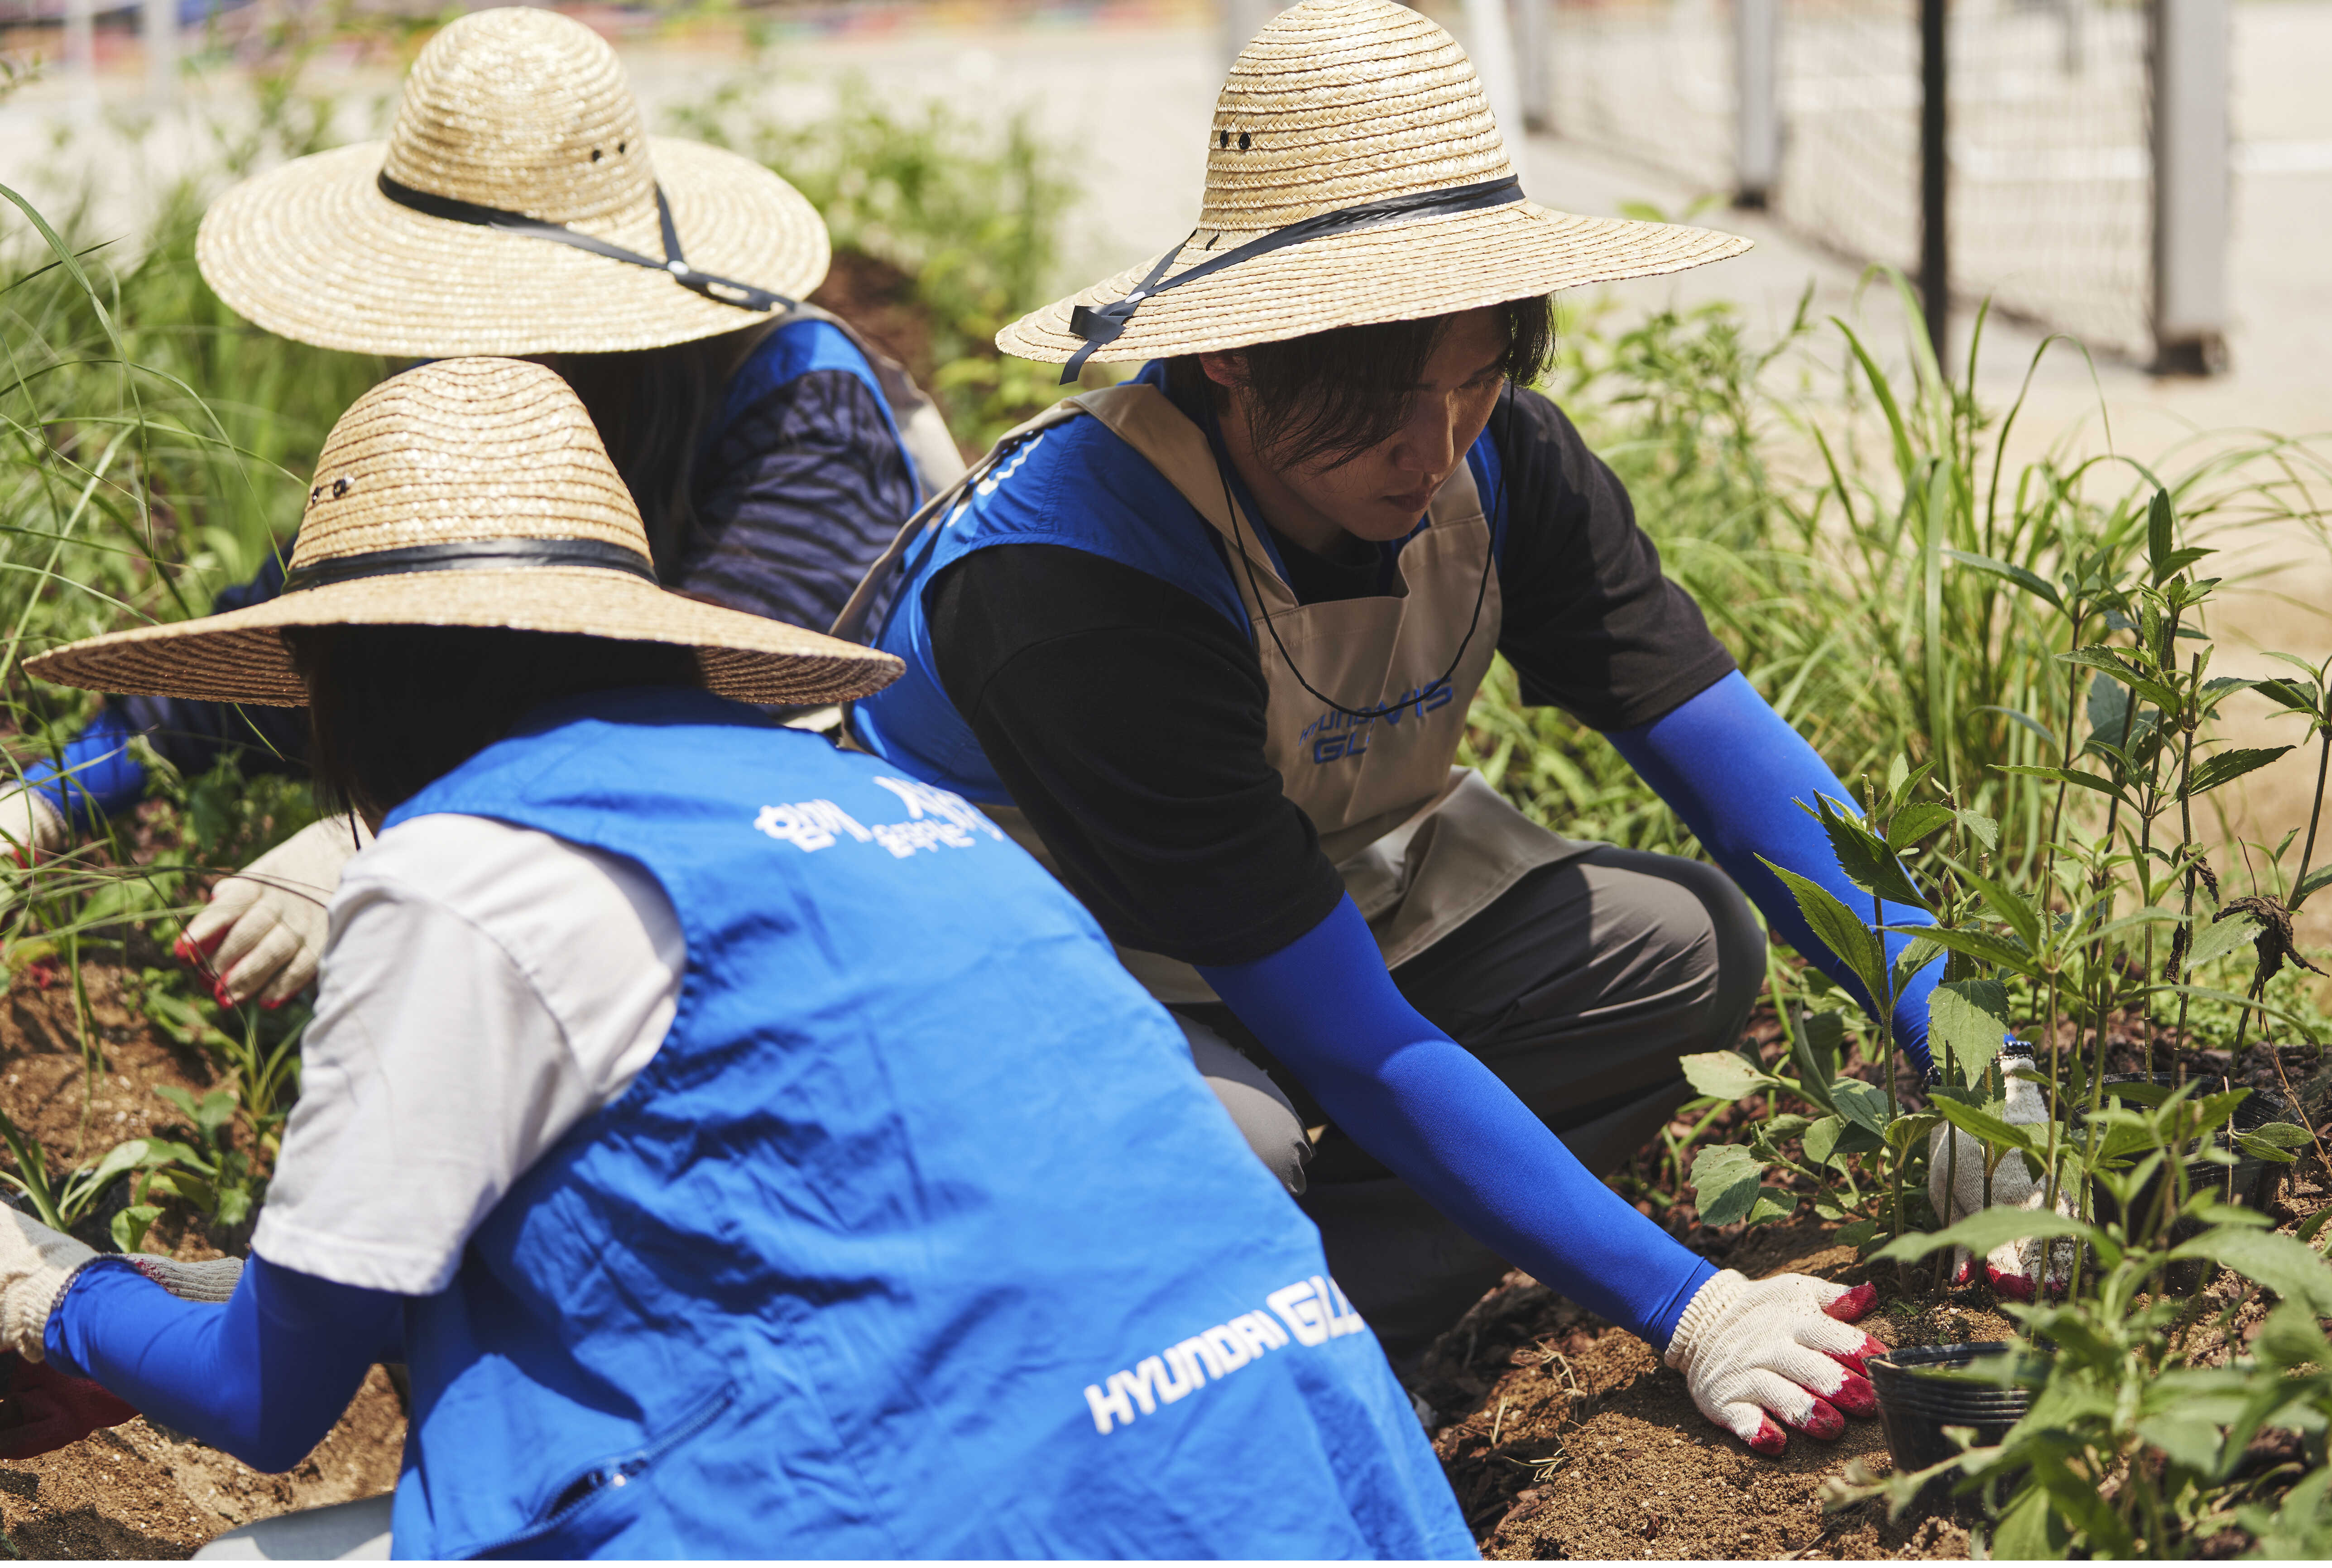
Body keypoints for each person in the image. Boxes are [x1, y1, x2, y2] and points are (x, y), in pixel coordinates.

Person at [0, 358, 1472, 1559]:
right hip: (1299, 1478)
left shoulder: (459, 873)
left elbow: (264, 1392)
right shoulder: (883, 807)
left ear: (337, 679)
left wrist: (43, 1285)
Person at [842, 0, 1961, 1455]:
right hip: (1037, 960)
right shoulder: (1076, 581)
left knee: (1676, 947)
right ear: (1234, 354)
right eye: (1376, 400)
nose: (1430, 452)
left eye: (1476, 376)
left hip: (1279, 915)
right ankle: (1166, 1393)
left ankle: (1350, 1325)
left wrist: (1962, 1036)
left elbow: (1728, 754)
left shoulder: (1502, 460)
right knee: (1229, 1145)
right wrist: (1691, 1306)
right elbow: (1354, 1038)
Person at [0, 6, 962, 1012]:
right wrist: (60, 793)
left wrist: (393, 837)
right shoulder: (485, 386)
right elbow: (329, 616)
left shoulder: (799, 405)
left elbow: (717, 695)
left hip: (831, 871)